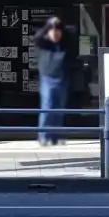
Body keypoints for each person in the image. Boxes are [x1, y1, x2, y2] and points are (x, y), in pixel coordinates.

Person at [34, 16, 68, 146]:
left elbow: (72, 34)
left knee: (59, 109)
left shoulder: (65, 44)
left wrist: (60, 24)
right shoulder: (44, 44)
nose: (55, 33)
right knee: (47, 107)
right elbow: (37, 37)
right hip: (47, 78)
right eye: (53, 31)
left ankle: (56, 137)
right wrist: (48, 25)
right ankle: (44, 136)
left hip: (62, 78)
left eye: (58, 31)